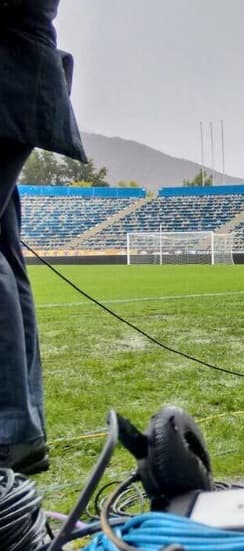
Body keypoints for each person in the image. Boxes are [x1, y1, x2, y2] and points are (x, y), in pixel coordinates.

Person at [0, 0, 86, 474]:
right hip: (18, 81)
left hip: (10, 80)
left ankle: (13, 430)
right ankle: (19, 428)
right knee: (7, 254)